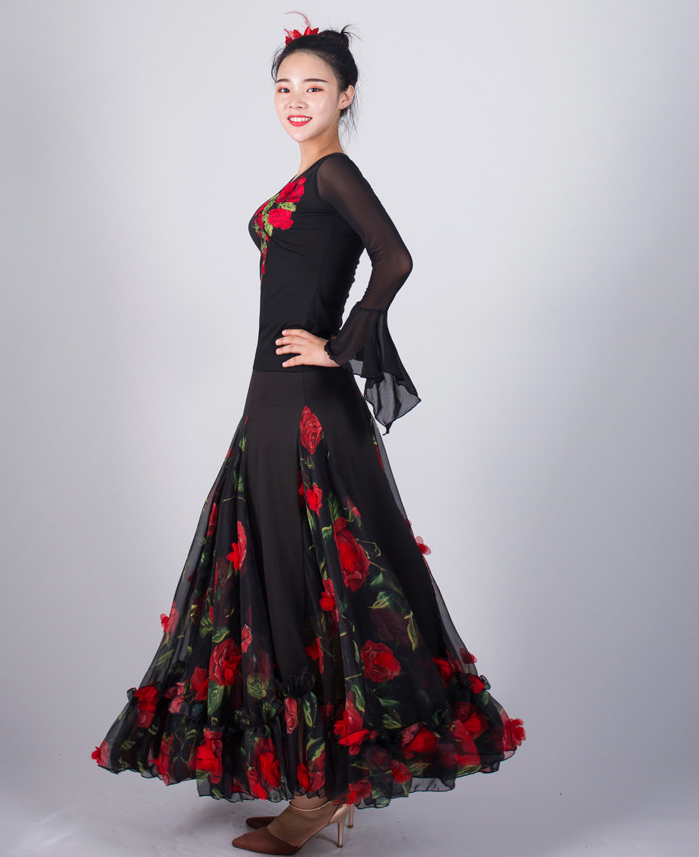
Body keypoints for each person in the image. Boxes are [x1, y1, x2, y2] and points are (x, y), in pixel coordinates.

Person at [92, 13, 526, 855]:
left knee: (308, 583)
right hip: (271, 400)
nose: (296, 100)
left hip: (305, 405)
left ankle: (322, 789)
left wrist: (343, 344)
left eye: (314, 87)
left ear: (346, 96)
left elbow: (395, 257)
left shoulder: (334, 172)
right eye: (284, 87)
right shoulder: (306, 179)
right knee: (279, 581)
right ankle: (317, 779)